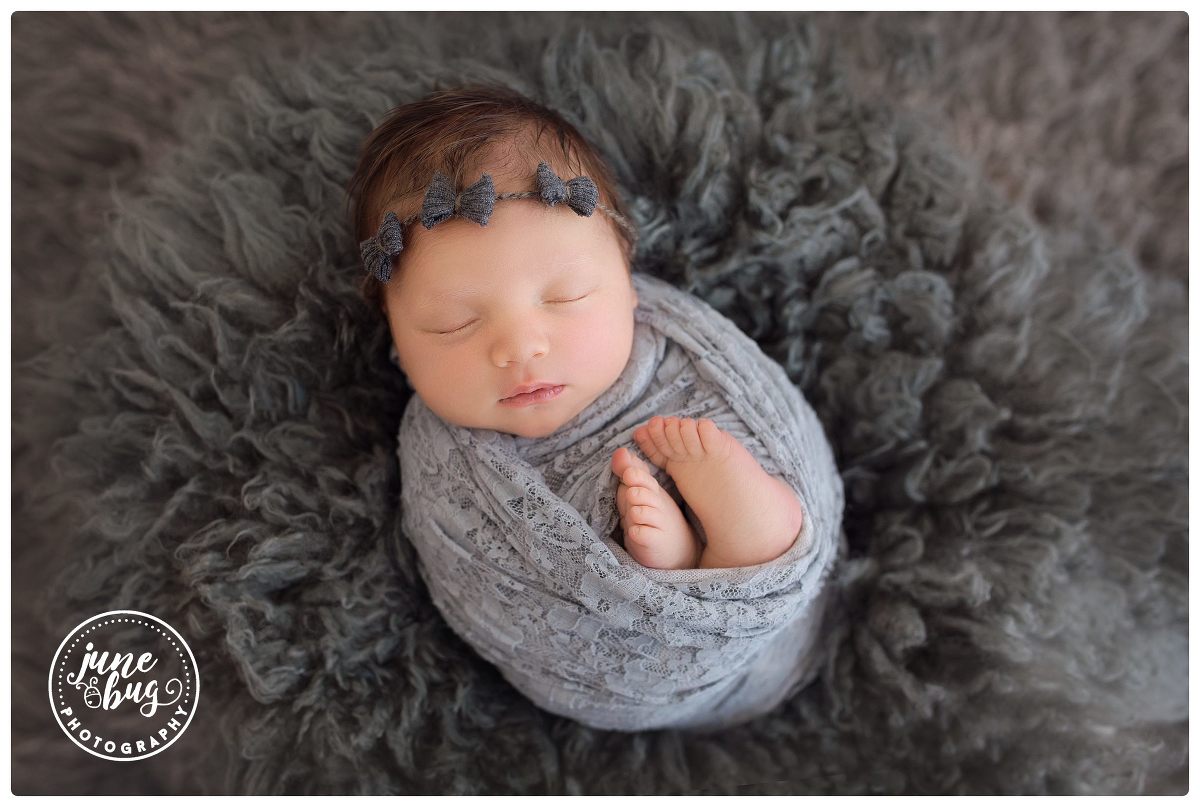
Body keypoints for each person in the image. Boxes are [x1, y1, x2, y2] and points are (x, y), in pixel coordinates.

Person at [346, 84, 805, 571]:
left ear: (628, 281)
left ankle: (745, 540)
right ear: (395, 334)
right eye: (453, 323)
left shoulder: (685, 364)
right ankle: (680, 565)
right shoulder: (441, 468)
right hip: (595, 639)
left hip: (772, 580)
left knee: (773, 517)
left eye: (567, 297)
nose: (521, 349)